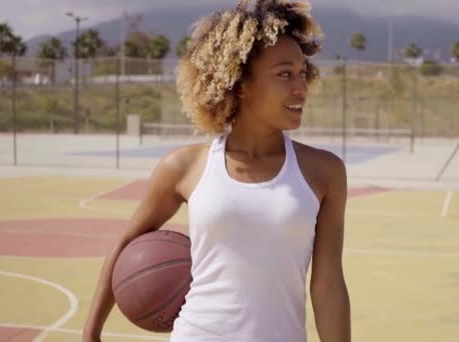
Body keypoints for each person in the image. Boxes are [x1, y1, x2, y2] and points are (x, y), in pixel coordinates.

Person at [83, 0, 351, 341]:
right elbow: (126, 243)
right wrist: (90, 334)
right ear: (241, 82)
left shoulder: (324, 172)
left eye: (302, 73)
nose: (301, 87)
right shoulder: (184, 167)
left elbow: (328, 283)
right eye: (285, 74)